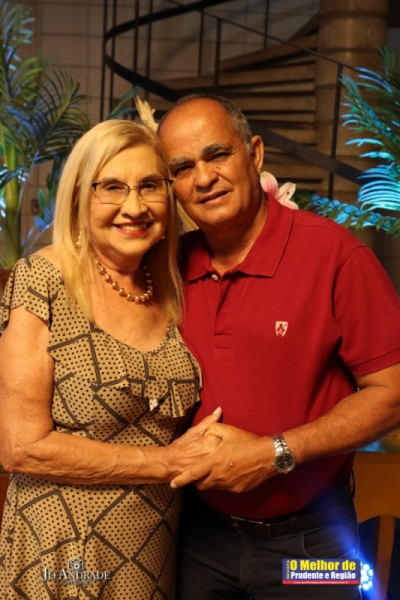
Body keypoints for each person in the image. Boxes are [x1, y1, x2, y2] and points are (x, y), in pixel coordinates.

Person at [157, 94, 400, 600]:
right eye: (182, 168)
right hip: (198, 536)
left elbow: (392, 393)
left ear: (255, 154)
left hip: (315, 541)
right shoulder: (169, 267)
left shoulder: (335, 256)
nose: (203, 178)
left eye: (217, 154)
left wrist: (275, 454)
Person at [0, 119, 221, 600]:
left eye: (150, 186)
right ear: (80, 197)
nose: (135, 207)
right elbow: (20, 447)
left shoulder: (172, 283)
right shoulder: (44, 279)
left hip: (154, 547)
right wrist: (165, 462)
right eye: (113, 187)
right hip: (65, 548)